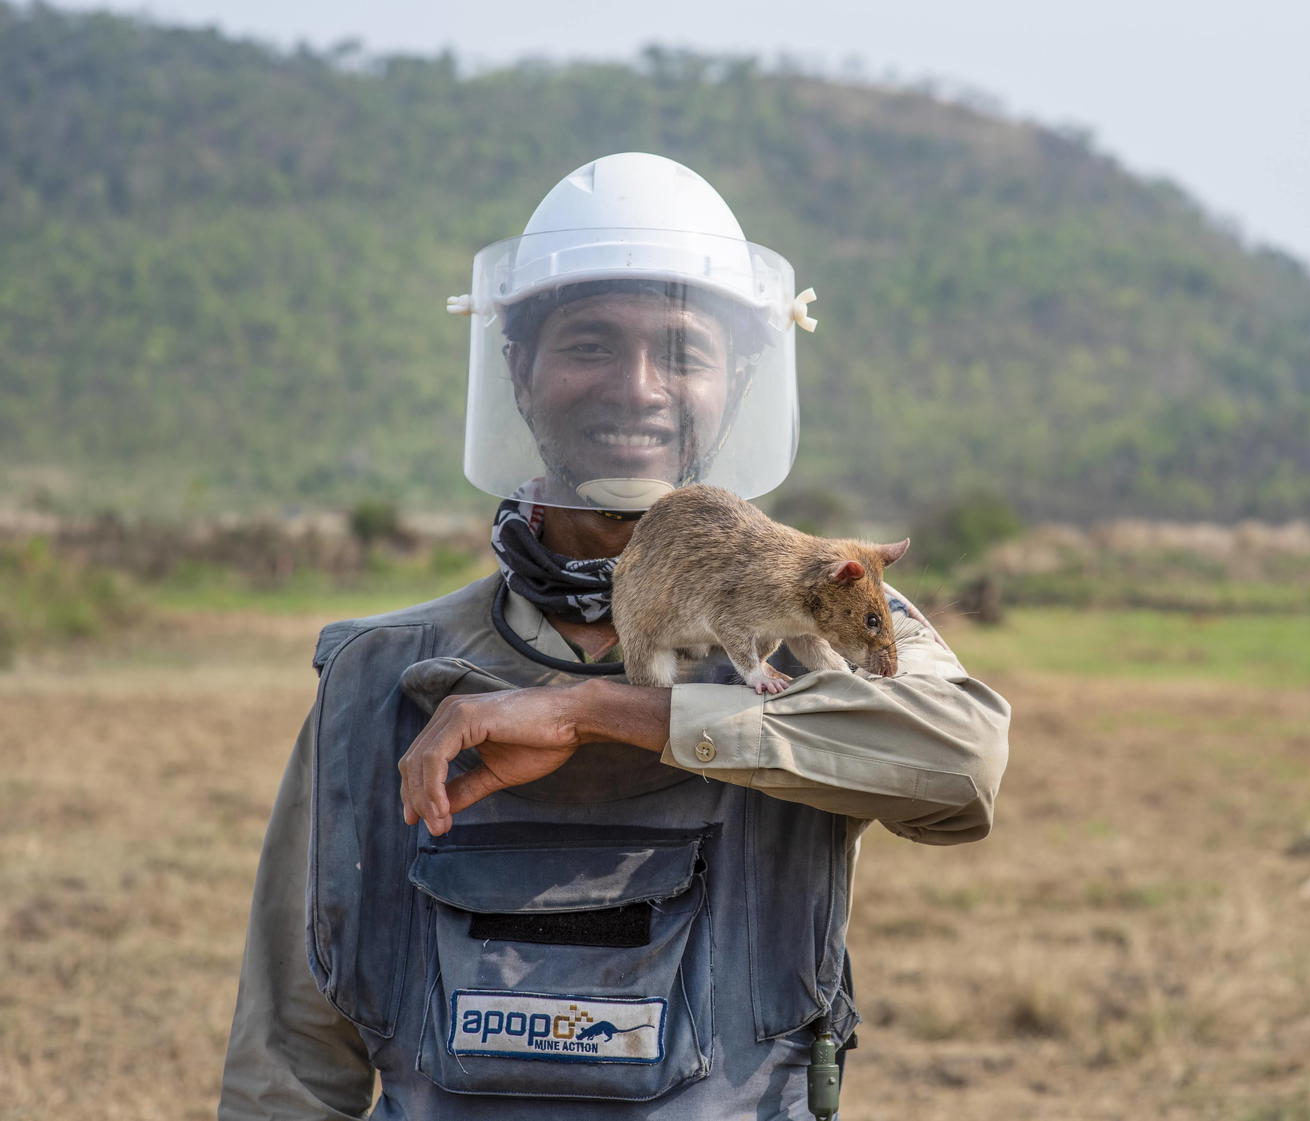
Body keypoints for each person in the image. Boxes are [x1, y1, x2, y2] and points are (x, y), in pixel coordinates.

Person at [218, 152, 1011, 1120]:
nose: (637, 386)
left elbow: (963, 769)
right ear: (517, 371)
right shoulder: (378, 671)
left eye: (682, 350)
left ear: (739, 380)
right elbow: (291, 1048)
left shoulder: (821, 636)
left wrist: (606, 709)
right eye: (589, 343)